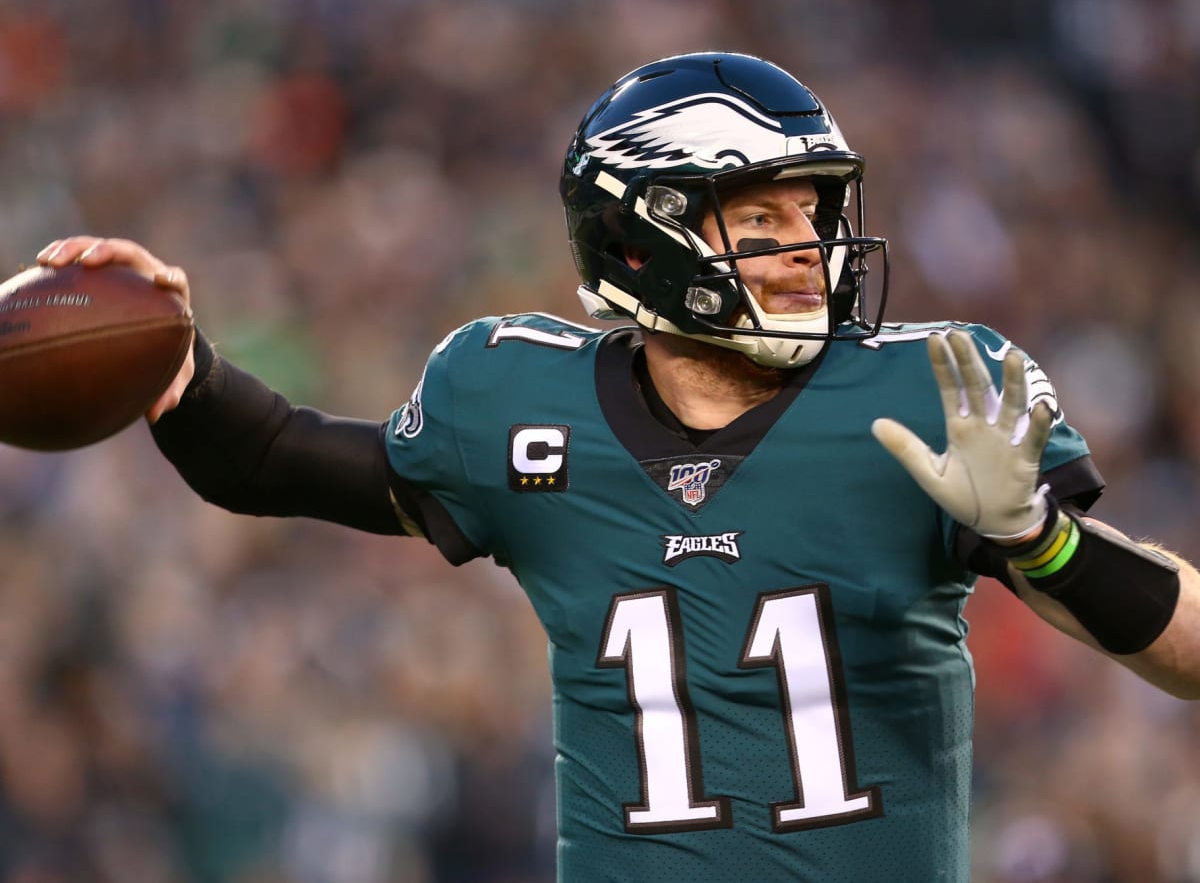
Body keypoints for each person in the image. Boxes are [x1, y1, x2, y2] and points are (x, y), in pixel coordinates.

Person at [38, 52, 1200, 882]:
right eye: (764, 224)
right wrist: (175, 365)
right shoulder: (511, 396)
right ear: (646, 233)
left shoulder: (933, 395)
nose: (813, 254)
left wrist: (1042, 542)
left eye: (818, 214)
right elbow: (279, 462)